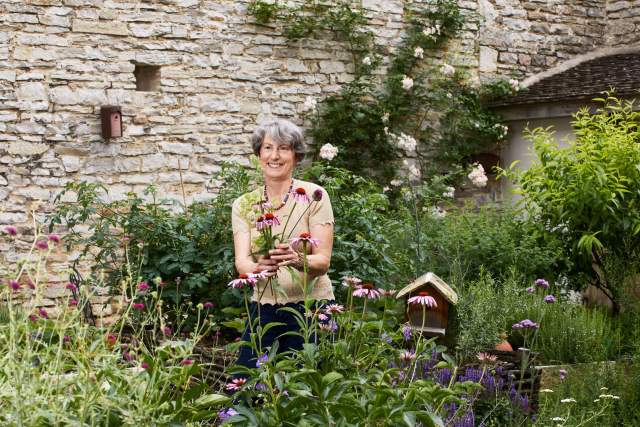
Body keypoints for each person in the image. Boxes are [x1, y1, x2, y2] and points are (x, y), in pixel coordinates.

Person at [231, 119, 335, 369]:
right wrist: (260, 267)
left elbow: (323, 262)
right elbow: (242, 263)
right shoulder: (244, 204)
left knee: (305, 387)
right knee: (248, 386)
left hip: (310, 308)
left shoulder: (314, 197)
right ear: (258, 155)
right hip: (264, 308)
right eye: (268, 148)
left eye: (283, 148)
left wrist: (295, 259)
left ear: (296, 156)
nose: (274, 156)